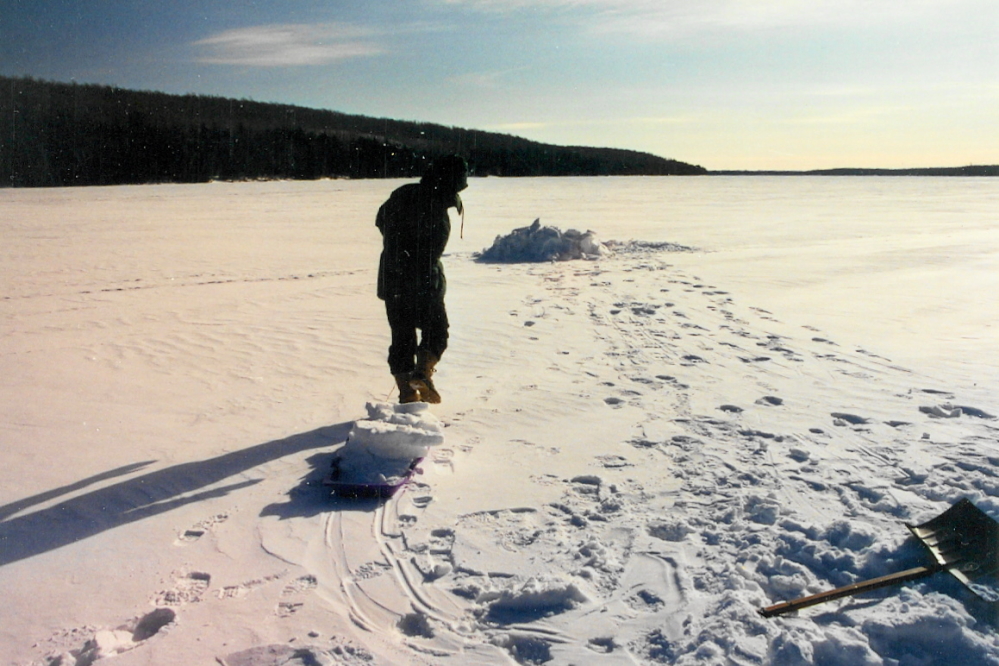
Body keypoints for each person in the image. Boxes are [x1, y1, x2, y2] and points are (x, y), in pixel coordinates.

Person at [376, 155, 468, 404]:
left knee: (402, 335)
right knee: (437, 331)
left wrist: (396, 245)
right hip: (420, 280)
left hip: (392, 277)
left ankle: (407, 393)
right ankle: (422, 374)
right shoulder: (436, 205)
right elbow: (431, 250)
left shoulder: (405, 192)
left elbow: (380, 219)